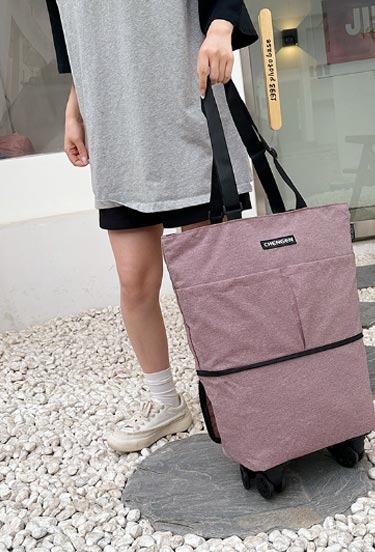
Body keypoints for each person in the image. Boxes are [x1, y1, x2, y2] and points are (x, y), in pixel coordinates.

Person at [45, 0, 258, 453]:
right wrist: (74, 111)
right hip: (117, 136)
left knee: (211, 280)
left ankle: (234, 390)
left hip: (190, 117)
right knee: (134, 282)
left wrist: (221, 28)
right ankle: (165, 401)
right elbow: (77, 41)